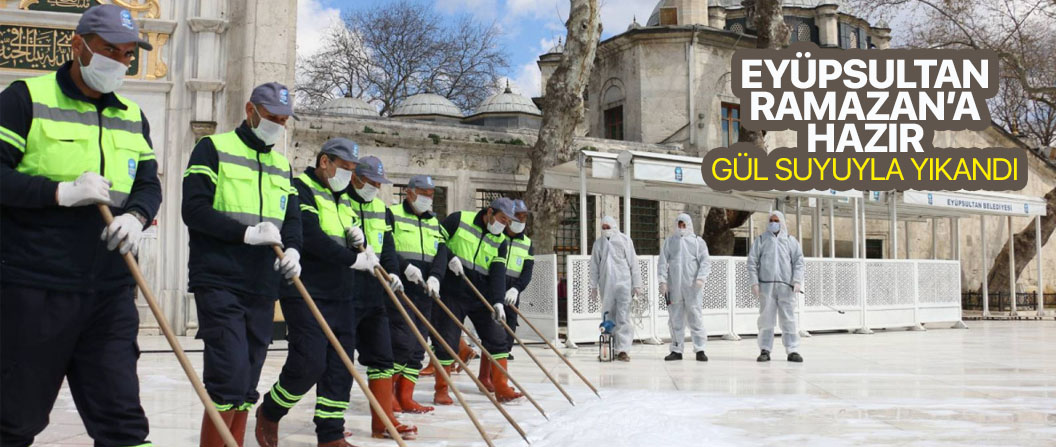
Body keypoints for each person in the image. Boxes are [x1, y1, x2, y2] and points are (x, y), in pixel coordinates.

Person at [0, 5, 160, 446]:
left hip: (109, 293)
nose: (121, 62)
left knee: (124, 423)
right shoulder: (24, 99)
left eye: (129, 54)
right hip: (36, 290)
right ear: (78, 46)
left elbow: (149, 183)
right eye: (111, 50)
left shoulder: (132, 115)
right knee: (14, 420)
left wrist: (137, 216)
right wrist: (60, 193)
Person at [182, 82, 303, 445]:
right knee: (228, 375)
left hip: (262, 284)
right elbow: (194, 210)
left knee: (247, 380)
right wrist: (245, 234)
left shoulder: (283, 166)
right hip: (219, 279)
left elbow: (292, 220)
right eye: (271, 117)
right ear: (251, 110)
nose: (278, 125)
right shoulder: (213, 148)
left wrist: (294, 249)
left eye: (284, 119)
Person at [255, 138, 381, 447]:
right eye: (345, 169)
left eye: (353, 172)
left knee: (341, 366)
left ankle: (331, 435)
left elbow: (339, 236)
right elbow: (310, 236)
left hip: (342, 293)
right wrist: (354, 258)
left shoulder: (344, 198)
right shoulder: (301, 188)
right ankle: (271, 411)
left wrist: (356, 240)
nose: (348, 177)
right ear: (325, 162)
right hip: (307, 290)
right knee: (309, 363)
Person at [346, 156, 417, 439]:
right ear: (356, 178)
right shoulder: (341, 201)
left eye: (379, 183)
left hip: (375, 293)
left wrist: (393, 271)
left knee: (383, 358)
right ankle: (332, 421)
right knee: (338, 359)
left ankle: (384, 422)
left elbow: (387, 249)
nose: (376, 188)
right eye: (372, 182)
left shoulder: (381, 209)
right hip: (345, 290)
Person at [434, 198, 524, 403]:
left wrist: (498, 301)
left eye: (508, 222)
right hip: (452, 289)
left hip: (480, 293)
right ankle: (441, 389)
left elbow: (498, 273)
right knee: (447, 339)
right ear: (490, 212)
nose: (504, 225)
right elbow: (436, 239)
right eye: (502, 219)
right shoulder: (459, 220)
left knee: (497, 337)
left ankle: (501, 386)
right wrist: (448, 256)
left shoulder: (501, 241)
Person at [389, 175, 448, 413]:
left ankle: (406, 396)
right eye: (424, 193)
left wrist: (436, 276)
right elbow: (386, 247)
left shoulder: (435, 222)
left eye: (431, 194)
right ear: (409, 192)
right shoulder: (392, 214)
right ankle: (390, 393)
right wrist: (404, 267)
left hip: (425, 292)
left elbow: (442, 251)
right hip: (400, 289)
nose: (428, 198)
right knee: (401, 343)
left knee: (418, 346)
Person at [747, 210, 805, 363]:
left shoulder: (790, 241)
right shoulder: (761, 240)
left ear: (782, 222)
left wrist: (797, 280)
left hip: (786, 287)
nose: (773, 223)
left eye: (776, 220)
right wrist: (755, 282)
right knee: (766, 319)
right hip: (766, 287)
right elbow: (752, 262)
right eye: (771, 220)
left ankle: (792, 350)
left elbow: (799, 262)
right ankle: (765, 349)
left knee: (789, 318)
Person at [658, 213, 711, 362]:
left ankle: (700, 349)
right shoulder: (670, 242)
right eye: (679, 225)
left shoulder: (697, 242)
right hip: (674, 287)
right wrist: (662, 281)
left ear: (688, 225)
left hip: (692, 287)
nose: (681, 228)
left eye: (684, 225)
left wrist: (701, 278)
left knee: (695, 316)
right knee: (675, 319)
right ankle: (676, 349)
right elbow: (662, 263)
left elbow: (705, 262)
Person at [589, 216, 641, 362]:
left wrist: (637, 284)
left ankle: (623, 350)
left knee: (623, 316)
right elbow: (594, 266)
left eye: (608, 227)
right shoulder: (598, 244)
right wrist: (593, 286)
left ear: (614, 226)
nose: (606, 230)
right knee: (607, 317)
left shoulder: (625, 241)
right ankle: (607, 348)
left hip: (624, 284)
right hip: (606, 285)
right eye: (603, 228)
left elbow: (633, 263)